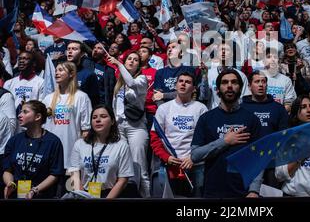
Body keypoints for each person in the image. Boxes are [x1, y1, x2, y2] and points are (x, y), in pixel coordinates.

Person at [191, 69, 262, 198]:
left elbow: (258, 158)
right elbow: (195, 155)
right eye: (224, 82)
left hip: (244, 192)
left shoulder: (252, 119)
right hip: (212, 191)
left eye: (234, 82)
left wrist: (254, 190)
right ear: (217, 90)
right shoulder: (206, 118)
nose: (229, 86)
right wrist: (225, 141)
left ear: (240, 89)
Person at [150, 72, 208, 197]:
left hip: (195, 165)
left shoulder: (201, 108)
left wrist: (193, 158)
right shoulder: (163, 108)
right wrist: (167, 157)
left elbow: (206, 138)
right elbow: (155, 138)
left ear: (193, 88)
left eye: (188, 82)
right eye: (180, 81)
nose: (183, 84)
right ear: (175, 85)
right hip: (169, 164)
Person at [107, 51, 150, 198]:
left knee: (140, 168)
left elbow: (131, 83)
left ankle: (146, 197)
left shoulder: (142, 79)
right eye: (129, 59)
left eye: (135, 60)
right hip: (120, 128)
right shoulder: (119, 83)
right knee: (123, 169)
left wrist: (118, 63)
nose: (132, 61)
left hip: (136, 128)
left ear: (140, 64)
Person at [68, 104, 135, 199]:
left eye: (103, 116)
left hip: (110, 195)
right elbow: (74, 173)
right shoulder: (80, 144)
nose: (98, 120)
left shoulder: (121, 145)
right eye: (94, 117)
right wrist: (83, 197)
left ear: (112, 121)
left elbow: (123, 179)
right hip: (84, 194)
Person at [2, 100, 64, 199]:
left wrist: (35, 190)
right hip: (16, 195)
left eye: (25, 112)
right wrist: (10, 183)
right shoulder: (14, 140)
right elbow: (7, 170)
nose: (19, 115)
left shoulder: (53, 142)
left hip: (42, 196)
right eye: (21, 111)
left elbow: (54, 174)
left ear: (38, 117)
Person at [242, 70, 289, 188]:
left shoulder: (278, 109)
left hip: (272, 162)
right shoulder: (241, 108)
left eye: (263, 81)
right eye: (257, 81)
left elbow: (284, 135)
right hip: (248, 161)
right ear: (249, 86)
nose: (261, 84)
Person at [43, 62, 92, 170]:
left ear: (71, 74)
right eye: (56, 70)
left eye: (61, 70)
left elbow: (86, 130)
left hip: (71, 151)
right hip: (50, 150)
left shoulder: (81, 97)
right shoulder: (48, 98)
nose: (57, 73)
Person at [4, 51, 44, 125]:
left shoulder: (41, 82)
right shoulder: (8, 83)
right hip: (13, 125)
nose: (21, 61)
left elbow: (41, 106)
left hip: (31, 124)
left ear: (34, 63)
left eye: (25, 59)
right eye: (19, 59)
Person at [66, 41, 100, 107]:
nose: (70, 51)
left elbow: (94, 101)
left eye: (74, 49)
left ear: (82, 54)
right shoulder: (61, 73)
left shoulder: (89, 75)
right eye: (68, 49)